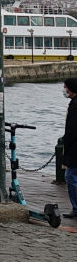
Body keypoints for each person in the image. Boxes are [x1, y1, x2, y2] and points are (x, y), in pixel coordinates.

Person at [61, 78, 77, 219]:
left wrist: (65, 140)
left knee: (71, 176)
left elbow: (72, 128)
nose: (64, 90)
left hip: (74, 148)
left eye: (66, 87)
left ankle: (76, 208)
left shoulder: (74, 105)